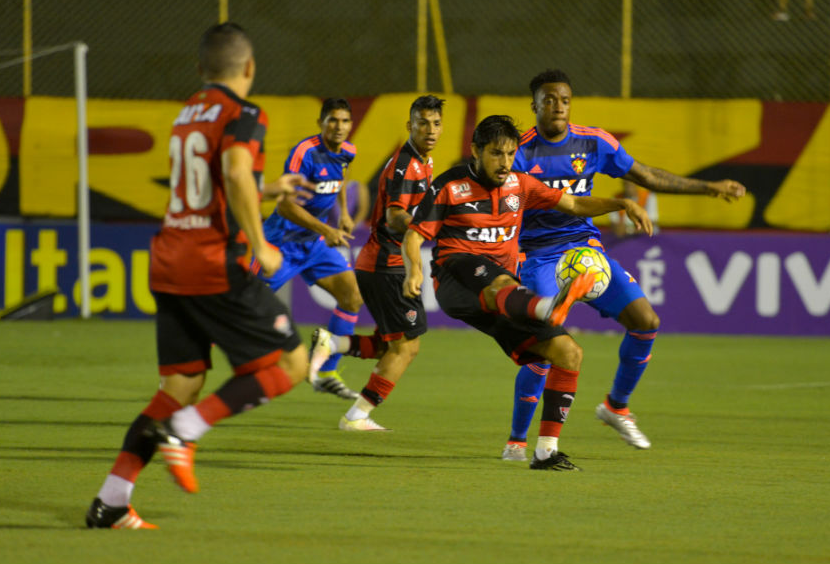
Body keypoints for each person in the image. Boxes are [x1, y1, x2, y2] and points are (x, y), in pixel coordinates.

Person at [85, 22, 312, 529]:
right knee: (293, 363)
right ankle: (185, 432)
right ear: (249, 68)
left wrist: (269, 186)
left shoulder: (188, 112)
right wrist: (262, 246)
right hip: (213, 262)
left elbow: (214, 177)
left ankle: (112, 501)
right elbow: (232, 172)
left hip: (168, 261)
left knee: (181, 382)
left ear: (200, 70)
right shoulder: (244, 112)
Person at [501, 69, 746, 461]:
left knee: (646, 321)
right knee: (547, 340)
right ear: (534, 106)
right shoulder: (520, 152)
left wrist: (710, 187)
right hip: (539, 255)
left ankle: (616, 406)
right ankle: (516, 441)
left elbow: (646, 175)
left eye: (564, 99)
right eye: (549, 100)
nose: (558, 106)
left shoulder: (594, 143)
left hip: (585, 251)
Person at [402, 115, 652, 470]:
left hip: (503, 295)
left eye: (509, 153)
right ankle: (547, 306)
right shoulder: (450, 185)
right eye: (495, 154)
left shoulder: (521, 185)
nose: (504, 162)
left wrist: (622, 204)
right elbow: (414, 234)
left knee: (567, 353)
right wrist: (413, 269)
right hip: (458, 281)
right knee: (500, 283)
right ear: (475, 151)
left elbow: (575, 204)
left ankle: (546, 452)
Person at [311, 95, 444, 431]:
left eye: (436, 123)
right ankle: (356, 416)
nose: (430, 130)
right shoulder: (406, 165)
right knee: (406, 348)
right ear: (409, 126)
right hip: (388, 265)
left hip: (380, 263)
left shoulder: (422, 161)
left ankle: (334, 344)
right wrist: (424, 225)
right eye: (422, 123)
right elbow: (395, 215)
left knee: (390, 343)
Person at [252, 98, 363, 399]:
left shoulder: (348, 151)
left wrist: (345, 214)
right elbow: (285, 206)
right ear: (321, 122)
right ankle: (182, 370)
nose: (339, 127)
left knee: (351, 296)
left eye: (344, 121)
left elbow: (342, 179)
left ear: (350, 125)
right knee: (236, 308)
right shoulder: (305, 152)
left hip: (312, 245)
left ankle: (326, 371)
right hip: (280, 244)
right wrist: (327, 229)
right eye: (332, 120)